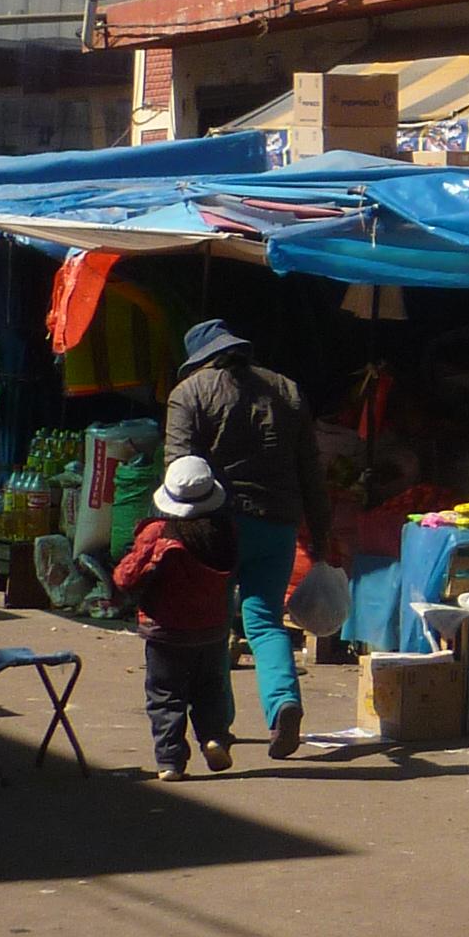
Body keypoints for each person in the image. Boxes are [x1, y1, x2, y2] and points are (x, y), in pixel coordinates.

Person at [162, 319, 331, 759]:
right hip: (278, 524)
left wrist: (169, 533)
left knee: (214, 625)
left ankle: (219, 726)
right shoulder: (288, 390)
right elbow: (311, 470)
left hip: (216, 527)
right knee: (264, 621)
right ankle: (283, 704)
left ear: (200, 358)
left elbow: (178, 468)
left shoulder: (189, 393)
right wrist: (322, 531)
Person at [111, 453, 238, 779]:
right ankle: (213, 737)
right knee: (210, 688)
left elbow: (125, 577)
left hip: (165, 629)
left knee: (165, 696)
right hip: (211, 627)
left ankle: (170, 761)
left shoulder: (157, 532)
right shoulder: (224, 531)